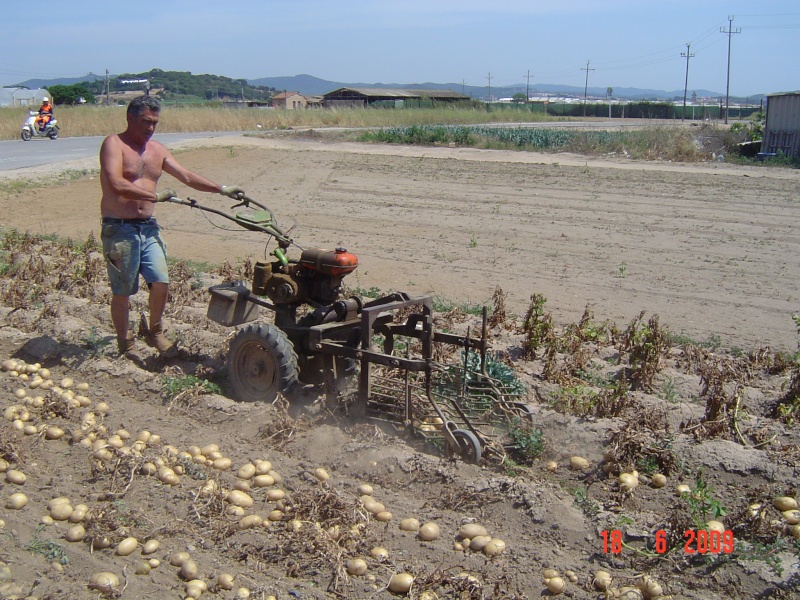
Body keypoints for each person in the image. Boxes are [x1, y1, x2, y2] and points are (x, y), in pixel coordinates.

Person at [99, 95, 244, 356]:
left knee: (161, 281)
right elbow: (116, 183)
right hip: (119, 228)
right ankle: (125, 342)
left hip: (148, 227)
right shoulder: (114, 144)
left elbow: (186, 176)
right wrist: (154, 196)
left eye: (155, 122)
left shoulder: (157, 150)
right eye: (145, 121)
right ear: (130, 118)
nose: (150, 128)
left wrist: (222, 189)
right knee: (123, 291)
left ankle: (155, 332)